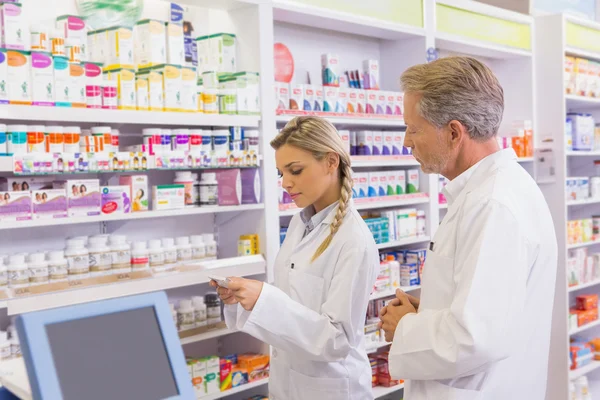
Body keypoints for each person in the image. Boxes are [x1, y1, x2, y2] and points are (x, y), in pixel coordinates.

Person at [378, 56, 558, 400]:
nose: (406, 142)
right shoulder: (492, 191)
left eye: (413, 129)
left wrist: (405, 327)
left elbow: (475, 338)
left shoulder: (492, 205)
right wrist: (427, 311)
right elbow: (486, 309)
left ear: (454, 132)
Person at [211, 116, 379, 400]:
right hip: (288, 384)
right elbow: (291, 298)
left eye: (296, 170)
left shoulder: (354, 241)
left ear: (330, 162)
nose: (286, 183)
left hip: (333, 389)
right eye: (281, 174)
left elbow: (337, 339)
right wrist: (245, 299)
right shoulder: (300, 223)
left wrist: (264, 299)